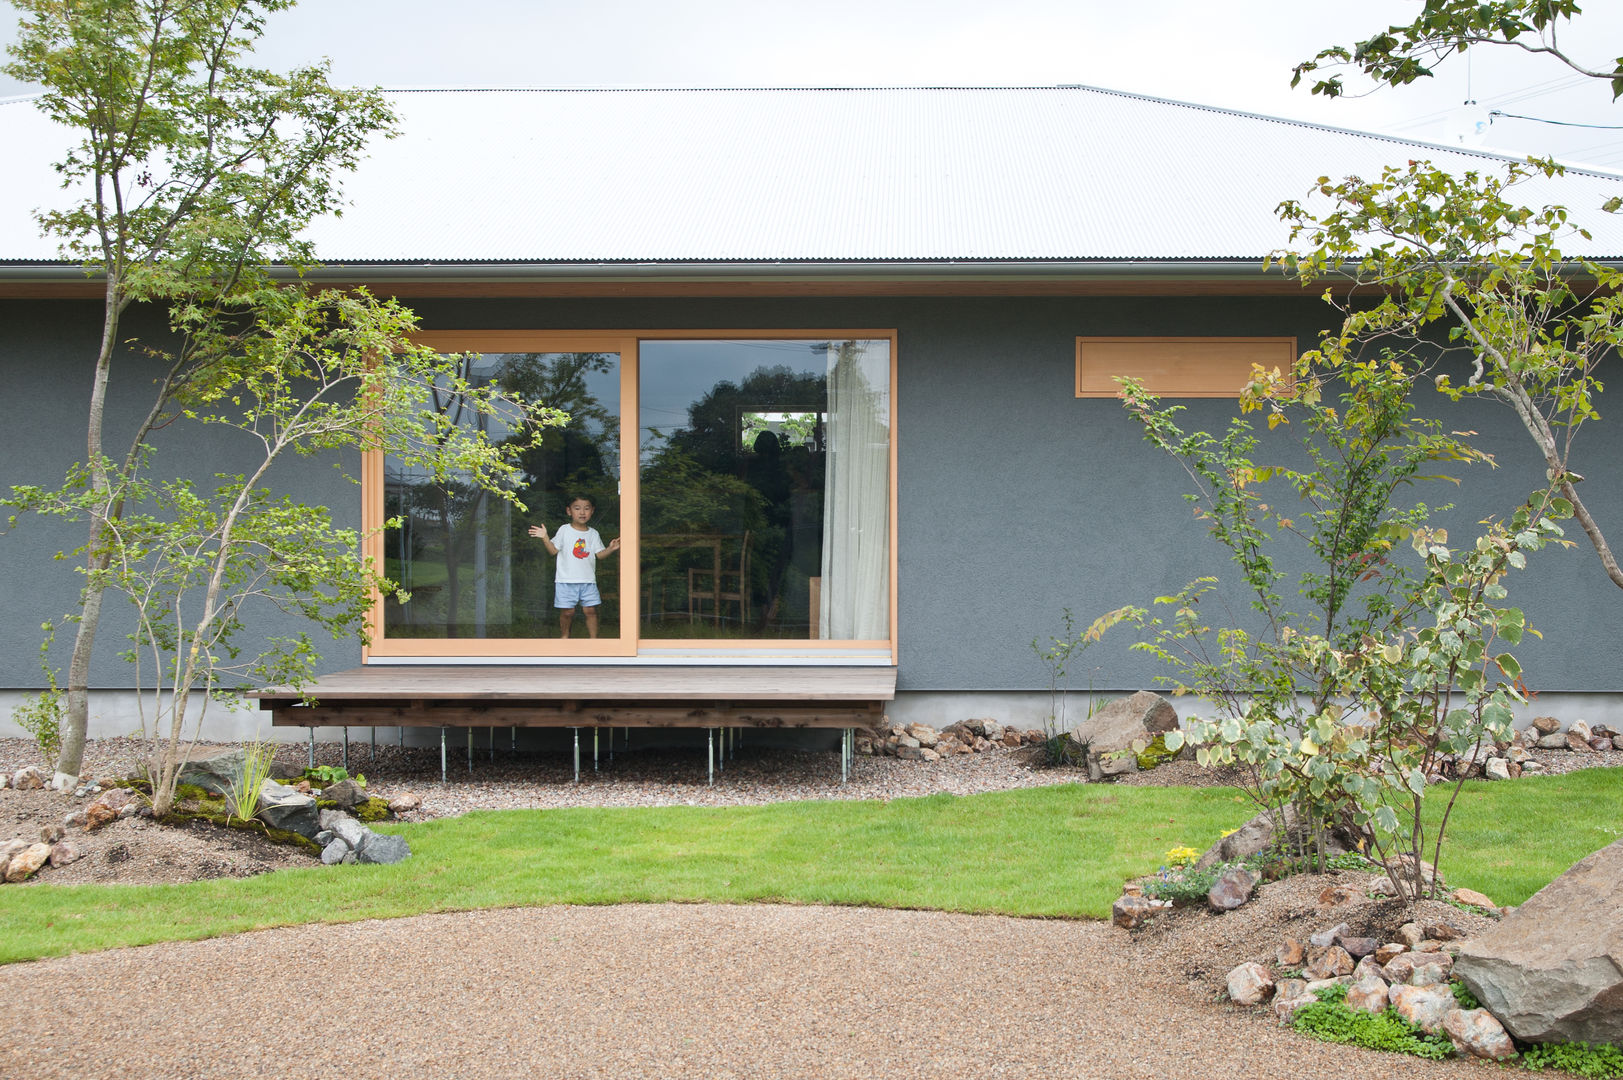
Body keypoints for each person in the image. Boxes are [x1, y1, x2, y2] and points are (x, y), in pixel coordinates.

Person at [529, 496, 621, 638]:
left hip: (588, 581)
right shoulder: (564, 530)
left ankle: (593, 640)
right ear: (569, 511)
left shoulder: (593, 534)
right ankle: (565, 636)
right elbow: (553, 551)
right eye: (577, 508)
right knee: (567, 612)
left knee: (590, 611)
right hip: (565, 580)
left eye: (586, 508)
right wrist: (545, 538)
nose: (582, 512)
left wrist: (611, 548)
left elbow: (600, 555)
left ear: (592, 511)